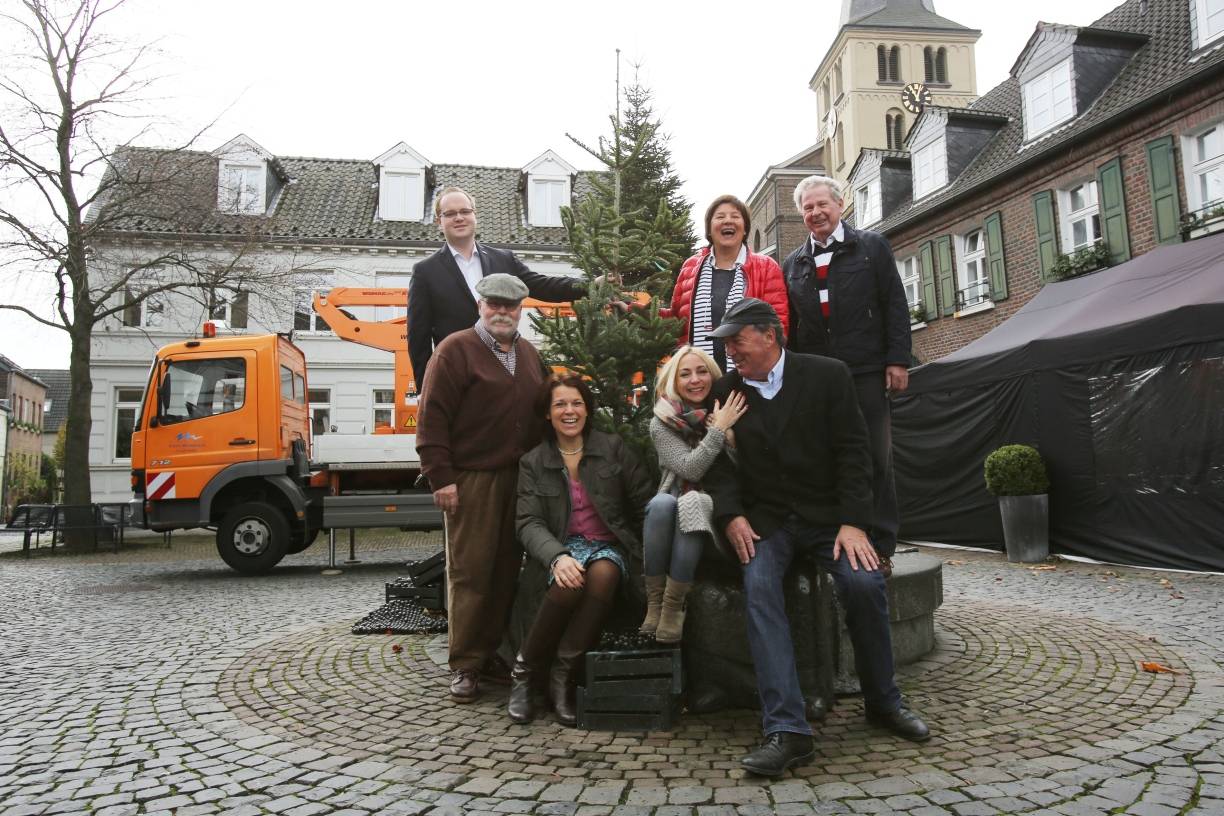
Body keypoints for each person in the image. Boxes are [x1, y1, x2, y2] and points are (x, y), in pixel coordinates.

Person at [703, 298, 930, 778]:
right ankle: (787, 729)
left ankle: (883, 703)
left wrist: (854, 522)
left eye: (736, 340)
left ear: (769, 334)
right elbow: (719, 469)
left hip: (830, 519)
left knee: (865, 584)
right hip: (766, 520)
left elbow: (855, 452)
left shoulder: (828, 375)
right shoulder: (726, 390)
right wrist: (730, 517)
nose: (729, 350)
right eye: (725, 342)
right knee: (759, 588)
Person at [416, 273, 547, 704]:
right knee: (471, 571)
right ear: (480, 306)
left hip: (521, 479)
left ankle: (492, 653)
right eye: (494, 304)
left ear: (520, 310)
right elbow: (431, 417)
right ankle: (466, 665)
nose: (502, 312)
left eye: (510, 306)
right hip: (471, 479)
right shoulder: (454, 351)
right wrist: (442, 478)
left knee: (507, 571)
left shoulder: (529, 355)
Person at [783, 175, 911, 568]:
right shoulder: (793, 264)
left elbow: (893, 303)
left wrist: (897, 359)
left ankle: (881, 545)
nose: (816, 213)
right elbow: (793, 326)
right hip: (819, 377)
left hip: (867, 368)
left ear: (840, 206)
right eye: (808, 207)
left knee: (875, 454)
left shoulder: (871, 247)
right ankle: (837, 536)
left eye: (822, 204)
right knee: (827, 456)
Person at [511, 373, 654, 726]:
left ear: (588, 410)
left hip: (608, 546)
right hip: (560, 547)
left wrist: (648, 555)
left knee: (603, 573)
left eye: (577, 403)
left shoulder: (613, 448)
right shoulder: (534, 461)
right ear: (548, 413)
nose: (569, 411)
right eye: (560, 404)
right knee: (568, 579)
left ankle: (563, 678)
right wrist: (557, 556)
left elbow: (645, 504)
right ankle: (524, 673)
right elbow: (528, 522)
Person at [407, 186, 587, 391]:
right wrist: (425, 390)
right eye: (450, 214)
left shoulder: (504, 259)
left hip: (504, 371)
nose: (459, 218)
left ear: (475, 215)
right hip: (456, 376)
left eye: (465, 211)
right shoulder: (425, 272)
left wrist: (590, 286)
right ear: (439, 222)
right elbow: (418, 338)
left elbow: (543, 286)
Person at [639, 346, 747, 643]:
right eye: (685, 374)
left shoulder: (728, 411)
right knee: (662, 502)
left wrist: (733, 439)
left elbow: (749, 471)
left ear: (713, 376)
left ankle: (674, 606)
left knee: (695, 500)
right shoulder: (661, 422)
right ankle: (655, 603)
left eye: (701, 372)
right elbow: (690, 470)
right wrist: (717, 433)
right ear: (674, 381)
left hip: (719, 520)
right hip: (673, 522)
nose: (695, 380)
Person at [663, 195, 790, 374]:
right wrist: (633, 309)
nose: (728, 221)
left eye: (735, 216)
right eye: (720, 217)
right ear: (709, 229)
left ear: (745, 229)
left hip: (750, 377)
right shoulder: (690, 267)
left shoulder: (767, 266)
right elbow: (675, 320)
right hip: (698, 380)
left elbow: (778, 326)